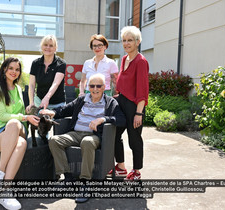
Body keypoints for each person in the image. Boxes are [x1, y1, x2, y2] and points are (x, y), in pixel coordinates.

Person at [40, 73, 126, 203]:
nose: (95, 89)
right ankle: (68, 178)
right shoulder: (82, 100)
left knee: (87, 142)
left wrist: (103, 119)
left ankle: (85, 183)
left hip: (94, 136)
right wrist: (53, 113)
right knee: (54, 140)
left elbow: (121, 119)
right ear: (87, 87)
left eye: (98, 86)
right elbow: (65, 109)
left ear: (104, 87)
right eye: (92, 85)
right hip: (75, 133)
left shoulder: (110, 102)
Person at [0, 57, 40, 210]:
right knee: (21, 143)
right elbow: (2, 116)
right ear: (4, 69)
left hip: (17, 129)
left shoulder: (18, 90)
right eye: (11, 68)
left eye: (17, 69)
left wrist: (27, 113)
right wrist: (23, 117)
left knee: (15, 124)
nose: (14, 72)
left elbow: (20, 115)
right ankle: (5, 189)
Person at [110, 26, 149, 180]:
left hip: (134, 106)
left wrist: (139, 113)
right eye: (124, 40)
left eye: (130, 40)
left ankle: (137, 171)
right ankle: (120, 166)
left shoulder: (141, 61)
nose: (126, 43)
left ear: (138, 42)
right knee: (114, 134)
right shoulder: (125, 59)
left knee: (134, 139)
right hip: (121, 102)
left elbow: (142, 89)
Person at [26, 34, 66, 112]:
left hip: (57, 104)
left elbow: (55, 84)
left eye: (51, 45)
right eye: (45, 45)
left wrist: (46, 98)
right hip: (39, 102)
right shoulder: (35, 63)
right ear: (42, 46)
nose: (48, 47)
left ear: (55, 48)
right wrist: (31, 102)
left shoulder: (61, 64)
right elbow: (31, 85)